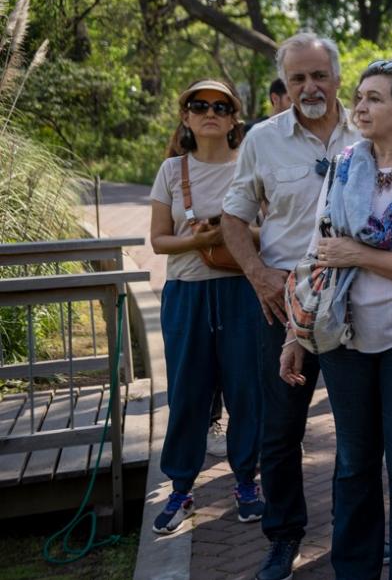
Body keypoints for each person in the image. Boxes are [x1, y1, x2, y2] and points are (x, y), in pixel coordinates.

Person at [278, 58, 392, 579]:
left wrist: (362, 255)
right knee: (354, 463)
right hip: (343, 336)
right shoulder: (342, 166)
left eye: (374, 98)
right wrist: (295, 332)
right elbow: (316, 252)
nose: (359, 106)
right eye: (359, 96)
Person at [222, 32, 361, 580]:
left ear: (338, 78)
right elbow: (233, 217)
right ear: (285, 83)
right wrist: (258, 275)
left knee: (358, 433)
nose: (309, 87)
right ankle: (282, 537)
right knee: (280, 430)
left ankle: (356, 536)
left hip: (356, 304)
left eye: (319, 75)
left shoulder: (369, 130)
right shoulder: (263, 138)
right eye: (297, 78)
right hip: (285, 309)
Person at [148, 79, 264, 534]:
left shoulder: (250, 166)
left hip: (242, 292)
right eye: (199, 105)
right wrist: (202, 239)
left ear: (234, 118)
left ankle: (247, 483)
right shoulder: (171, 171)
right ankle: (181, 488)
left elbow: (271, 233)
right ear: (186, 117)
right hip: (187, 294)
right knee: (187, 394)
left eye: (220, 106)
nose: (209, 113)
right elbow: (159, 241)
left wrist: (231, 232)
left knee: (246, 392)